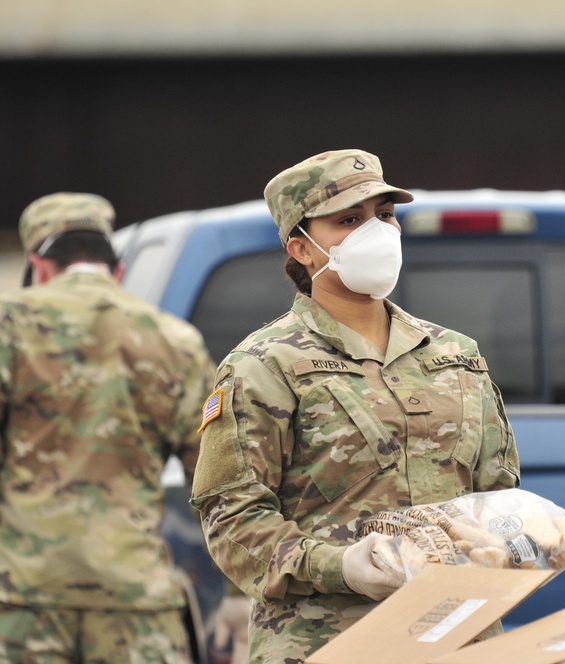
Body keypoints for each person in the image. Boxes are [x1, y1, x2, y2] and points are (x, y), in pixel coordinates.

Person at [190, 149, 521, 662]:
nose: (379, 232)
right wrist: (339, 566)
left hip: (459, 638)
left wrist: (517, 540)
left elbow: (497, 495)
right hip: (327, 643)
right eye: (350, 220)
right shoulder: (263, 364)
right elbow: (231, 519)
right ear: (301, 248)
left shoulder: (456, 355)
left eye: (385, 215)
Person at [0, 193, 217, 662]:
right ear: (116, 271)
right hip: (136, 598)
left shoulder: (10, 323)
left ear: (38, 266)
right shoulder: (176, 341)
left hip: (21, 598)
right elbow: (218, 475)